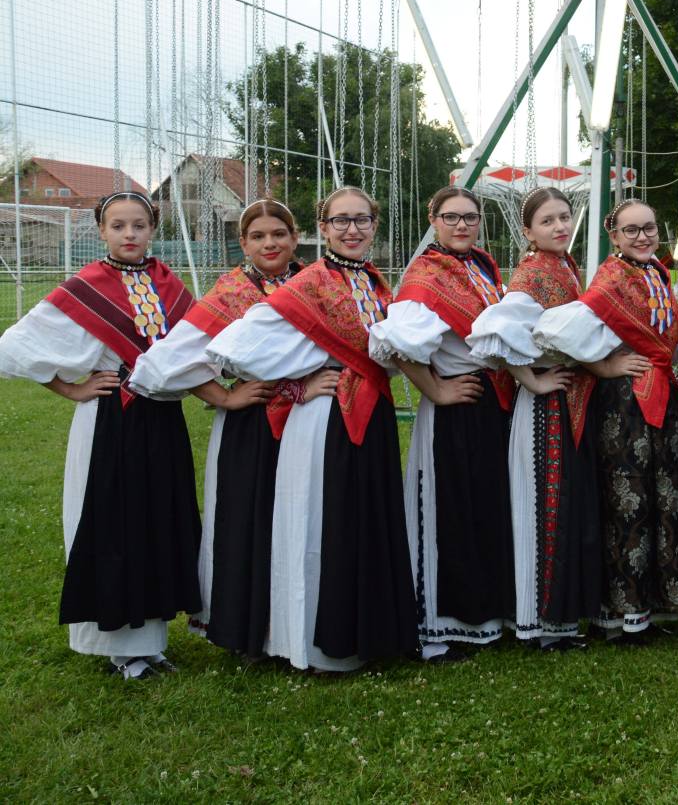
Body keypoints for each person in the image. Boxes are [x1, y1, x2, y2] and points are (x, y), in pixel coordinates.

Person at [207, 186, 417, 672]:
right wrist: (296, 380)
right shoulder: (309, 282)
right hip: (324, 418)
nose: (352, 229)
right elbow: (236, 344)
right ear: (322, 230)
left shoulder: (374, 281)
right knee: (325, 521)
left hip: (372, 413)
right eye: (340, 221)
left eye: (361, 220)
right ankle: (319, 646)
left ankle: (366, 636)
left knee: (364, 516)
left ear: (374, 225)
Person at [0, 191, 199, 680]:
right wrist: (71, 387)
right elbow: (17, 346)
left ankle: (150, 640)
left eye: (138, 225)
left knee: (158, 521)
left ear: (153, 229)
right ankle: (120, 648)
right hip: (111, 419)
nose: (129, 234)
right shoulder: (88, 286)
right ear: (101, 230)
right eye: (118, 225)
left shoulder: (169, 284)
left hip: (161, 419)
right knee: (114, 525)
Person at [131, 198, 337, 659]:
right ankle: (247, 631)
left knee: (303, 520)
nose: (270, 243)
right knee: (249, 520)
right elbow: (172, 360)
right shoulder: (230, 292)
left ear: (295, 236)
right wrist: (223, 396)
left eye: (278, 234)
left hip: (307, 423)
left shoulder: (317, 282)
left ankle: (296, 625)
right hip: (251, 425)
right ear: (243, 243)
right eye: (258, 236)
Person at [534, 198, 678, 643]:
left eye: (649, 228)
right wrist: (602, 367)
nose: (642, 237)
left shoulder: (656, 274)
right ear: (615, 236)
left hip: (661, 401)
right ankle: (620, 618)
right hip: (624, 407)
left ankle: (650, 609)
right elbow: (555, 331)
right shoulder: (612, 279)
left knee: (662, 498)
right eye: (631, 230)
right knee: (628, 501)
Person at [368, 186, 516, 661]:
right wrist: (436, 389)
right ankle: (442, 627)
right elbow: (394, 343)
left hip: (490, 402)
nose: (461, 225)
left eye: (470, 218)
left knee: (484, 511)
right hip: (457, 404)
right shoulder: (426, 275)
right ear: (433, 219)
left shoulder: (483, 266)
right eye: (450, 217)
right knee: (449, 511)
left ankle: (486, 617)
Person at [468, 186, 600, 651]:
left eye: (565, 217)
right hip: (546, 405)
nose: (560, 226)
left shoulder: (563, 265)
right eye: (548, 221)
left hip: (564, 398)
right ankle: (539, 623)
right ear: (527, 231)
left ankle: (557, 621)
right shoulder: (533, 273)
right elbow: (493, 329)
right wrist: (533, 380)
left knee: (561, 503)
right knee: (544, 504)